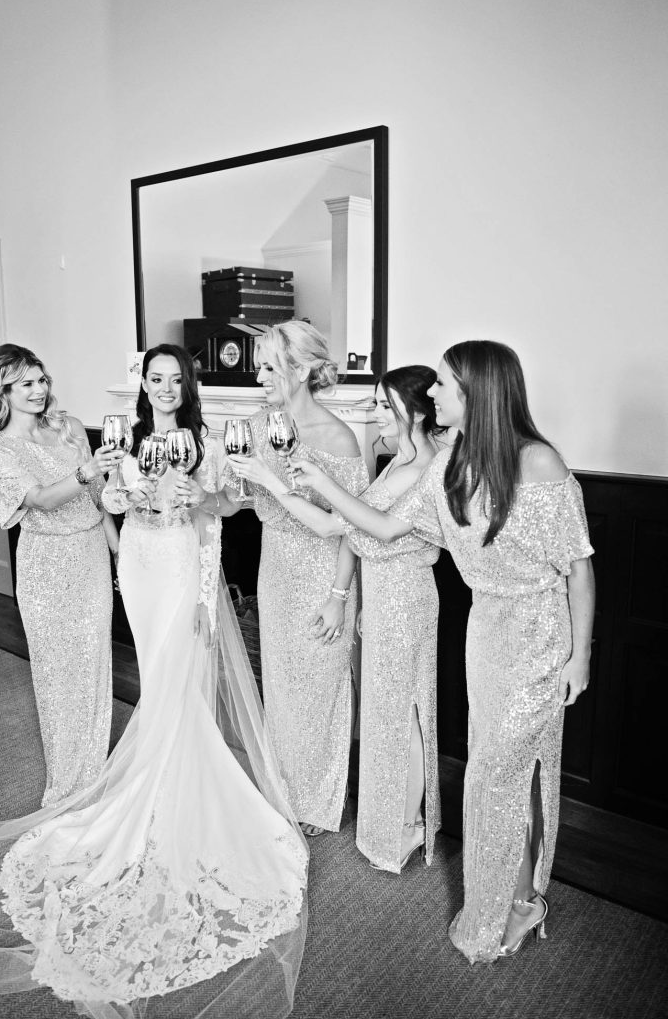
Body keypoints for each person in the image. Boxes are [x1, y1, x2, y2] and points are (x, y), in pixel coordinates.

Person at [0, 344, 308, 1019]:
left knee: (182, 681)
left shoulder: (205, 438)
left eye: (176, 378)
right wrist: (117, 497)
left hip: (182, 561)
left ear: (187, 386)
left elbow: (229, 500)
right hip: (140, 571)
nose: (166, 386)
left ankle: (181, 799)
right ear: (143, 384)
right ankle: (141, 791)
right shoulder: (123, 435)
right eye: (156, 377)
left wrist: (202, 499)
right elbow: (107, 497)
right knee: (158, 680)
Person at [292, 340, 595, 964]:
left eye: (445, 385)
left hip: (539, 634)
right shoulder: (446, 471)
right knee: (501, 771)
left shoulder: (537, 462)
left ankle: (506, 908)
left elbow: (578, 569)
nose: (432, 394)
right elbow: (379, 527)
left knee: (491, 778)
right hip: (484, 634)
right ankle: (519, 898)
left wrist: (580, 656)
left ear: (478, 394)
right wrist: (319, 481)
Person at [232, 365, 443, 872]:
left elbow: (368, 527)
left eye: (382, 407)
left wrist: (293, 483)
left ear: (412, 412)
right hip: (383, 592)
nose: (375, 416)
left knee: (407, 712)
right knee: (386, 714)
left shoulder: (423, 469)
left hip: (407, 599)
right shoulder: (398, 462)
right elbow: (340, 523)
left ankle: (407, 823)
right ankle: (390, 820)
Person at [224, 320, 368, 838]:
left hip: (324, 575)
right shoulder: (258, 427)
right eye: (259, 366)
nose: (259, 377)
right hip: (275, 566)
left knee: (321, 689)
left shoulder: (339, 437)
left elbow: (349, 528)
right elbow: (233, 501)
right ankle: (282, 789)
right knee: (282, 687)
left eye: (270, 366)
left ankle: (315, 801)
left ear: (303, 370)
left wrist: (338, 597)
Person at [0, 343, 119, 806]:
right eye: (26, 384)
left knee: (96, 665)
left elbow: (99, 500)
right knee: (58, 675)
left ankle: (93, 776)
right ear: (4, 391)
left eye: (42, 380)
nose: (39, 391)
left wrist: (121, 556)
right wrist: (86, 470)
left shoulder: (70, 426)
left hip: (92, 555)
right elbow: (38, 499)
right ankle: (66, 784)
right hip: (46, 568)